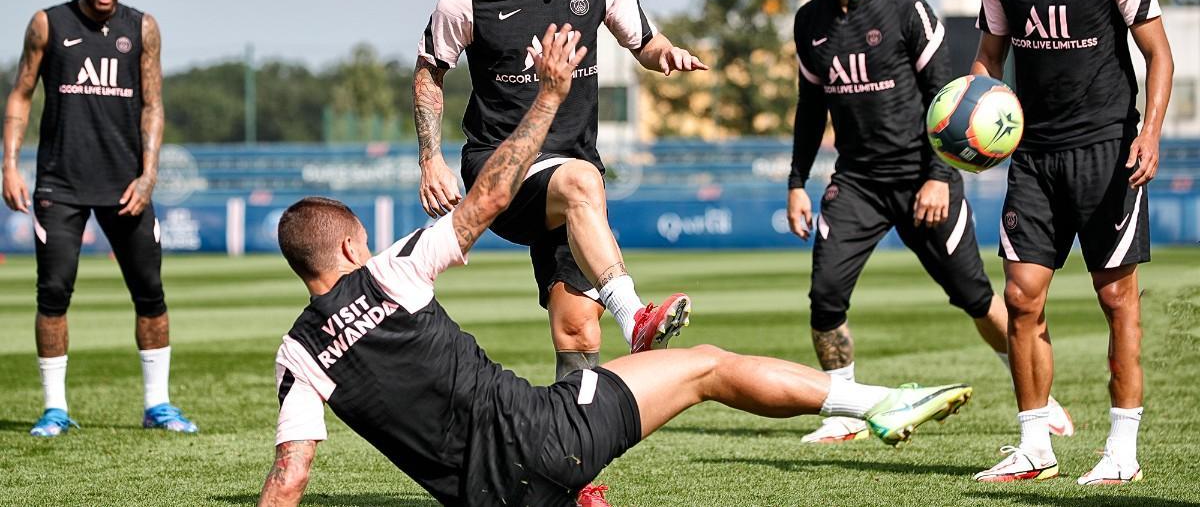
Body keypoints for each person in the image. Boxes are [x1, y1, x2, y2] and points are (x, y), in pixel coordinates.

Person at [258, 25, 974, 507]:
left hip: (489, 497)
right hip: (549, 438)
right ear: (351, 245)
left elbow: (290, 478)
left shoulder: (297, 355)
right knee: (705, 365)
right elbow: (491, 195)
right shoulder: (392, 269)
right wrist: (548, 94)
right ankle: (876, 402)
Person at [413, 0, 708, 381]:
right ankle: (636, 316)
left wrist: (667, 54)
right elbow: (430, 70)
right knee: (580, 180)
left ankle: (573, 453)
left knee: (578, 329)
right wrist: (430, 158)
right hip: (500, 172)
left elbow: (644, 41)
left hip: (575, 182)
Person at [787, 0, 1072, 444]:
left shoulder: (904, 8)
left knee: (975, 296)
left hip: (925, 179)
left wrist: (939, 176)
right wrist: (797, 181)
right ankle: (846, 411)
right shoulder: (809, 22)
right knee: (825, 296)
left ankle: (1041, 394)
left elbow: (951, 93)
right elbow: (809, 108)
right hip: (857, 183)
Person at [970, 0, 1173, 485]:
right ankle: (1034, 445)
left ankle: (1122, 451)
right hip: (1034, 159)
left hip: (1109, 152)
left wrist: (1152, 133)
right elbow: (988, 57)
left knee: (1117, 299)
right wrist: (976, 117)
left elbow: (1159, 55)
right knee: (1021, 296)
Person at [2, 0, 197, 437]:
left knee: (150, 293)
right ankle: (54, 409)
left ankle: (158, 405)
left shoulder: (142, 28)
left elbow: (153, 103)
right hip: (60, 185)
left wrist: (149, 175)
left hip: (126, 186)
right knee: (53, 295)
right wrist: (8, 164)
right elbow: (21, 94)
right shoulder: (48, 24)